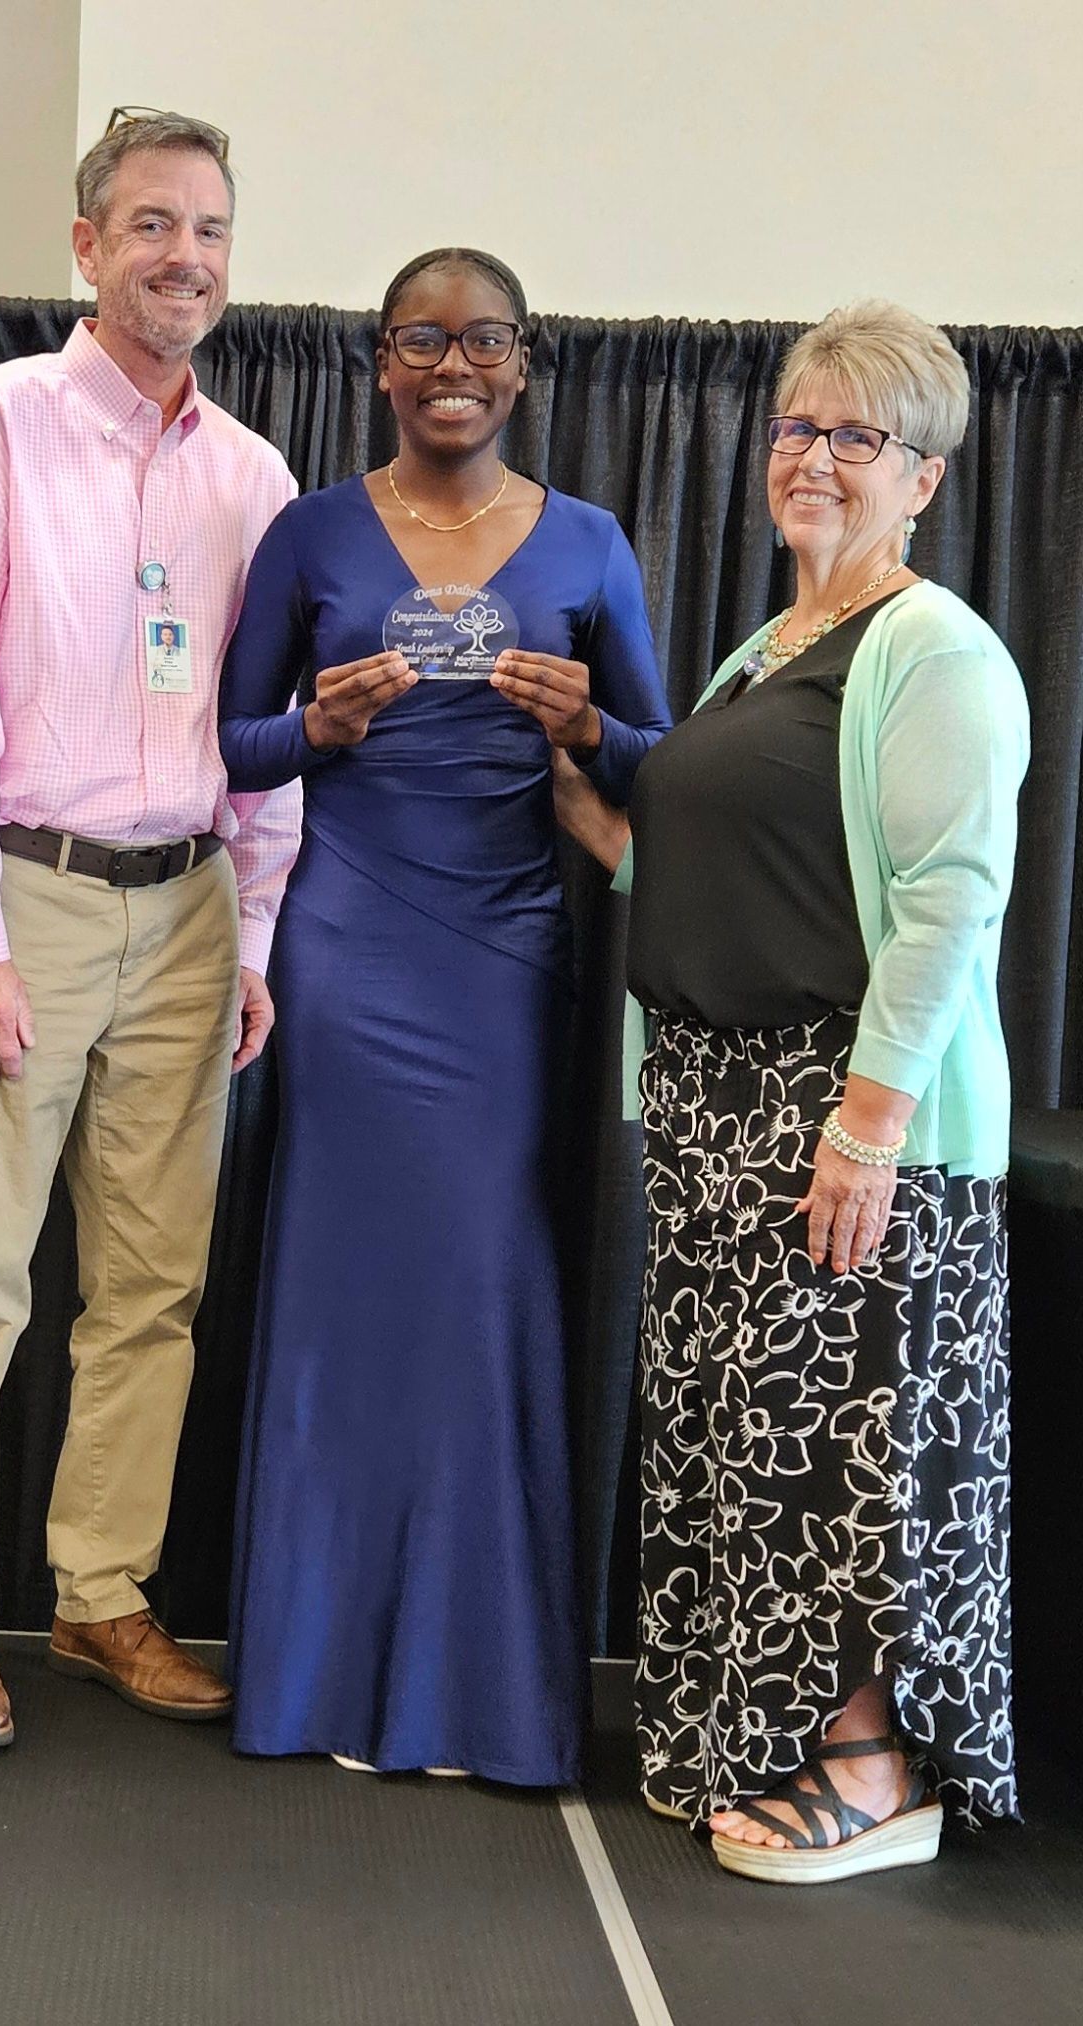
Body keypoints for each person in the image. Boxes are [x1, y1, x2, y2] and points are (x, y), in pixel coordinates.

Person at [553, 300, 1027, 1880]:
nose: (813, 458)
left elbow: (951, 900)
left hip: (840, 1113)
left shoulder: (933, 648)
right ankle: (752, 1726)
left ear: (926, 480)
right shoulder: (769, 652)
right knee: (741, 1441)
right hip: (715, 1110)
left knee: (853, 1448)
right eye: (796, 429)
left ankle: (875, 1766)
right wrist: (594, 814)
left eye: (856, 436)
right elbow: (727, 867)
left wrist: (871, 1123)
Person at [218, 248, 670, 1780]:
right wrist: (319, 721)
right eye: (425, 338)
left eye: (484, 338)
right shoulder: (311, 532)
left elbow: (658, 761)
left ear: (526, 362)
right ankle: (324, 1679)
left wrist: (591, 722)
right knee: (349, 1303)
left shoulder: (593, 543)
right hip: (353, 950)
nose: (454, 361)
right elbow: (235, 738)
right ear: (384, 360)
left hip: (501, 960)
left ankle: (472, 1686)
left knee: (479, 1297)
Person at [0, 109, 301, 1748]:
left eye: (206, 228)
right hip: (28, 901)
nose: (180, 255)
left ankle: (103, 1593)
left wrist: (255, 934)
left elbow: (267, 733)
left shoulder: (257, 476)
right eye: (148, 225)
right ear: (86, 247)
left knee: (150, 1288)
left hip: (192, 908)